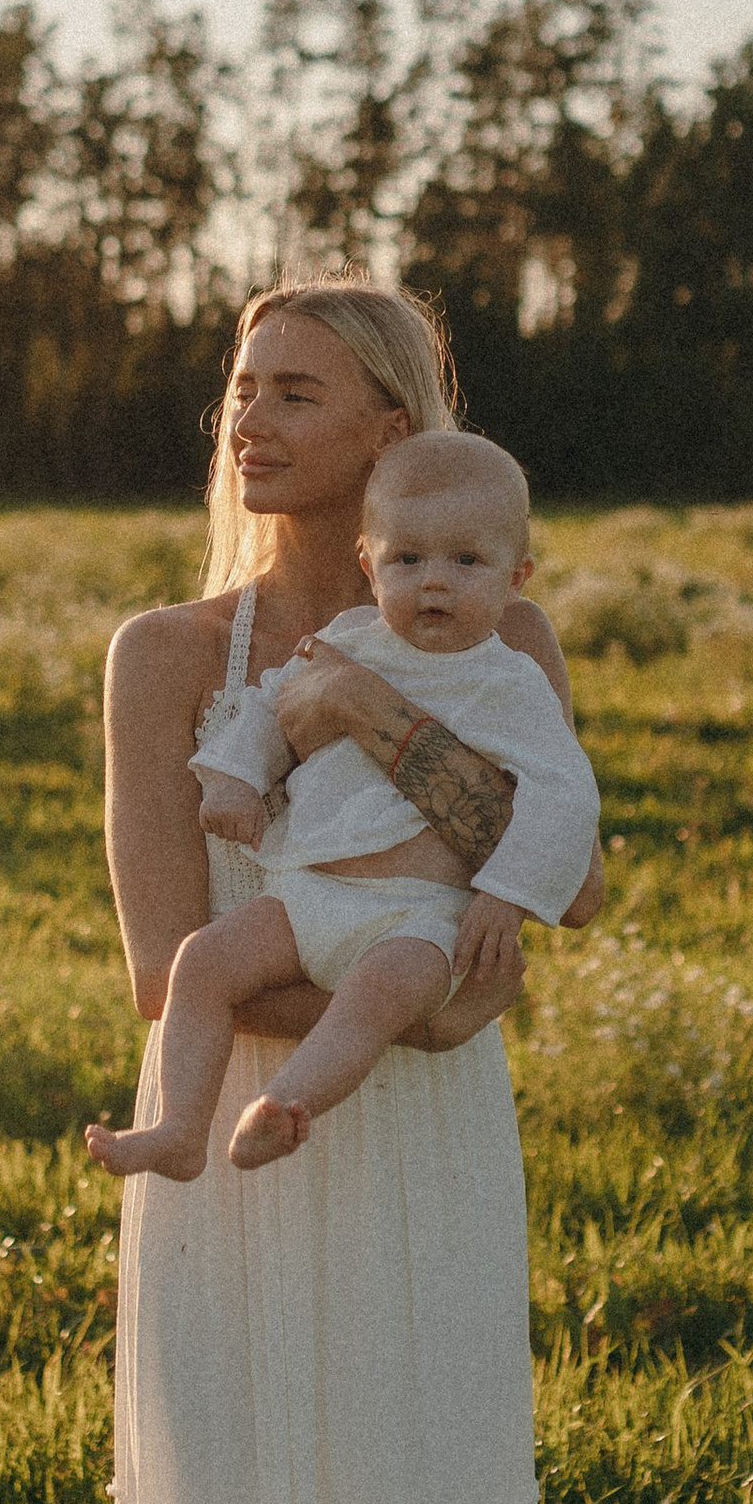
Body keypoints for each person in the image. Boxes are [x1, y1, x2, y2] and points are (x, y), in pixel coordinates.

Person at [101, 280, 652, 1504]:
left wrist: (364, 714)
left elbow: (557, 896)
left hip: (421, 1158)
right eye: (238, 388)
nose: (248, 420)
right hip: (238, 1156)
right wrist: (394, 991)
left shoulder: (505, 632)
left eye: (297, 392)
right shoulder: (168, 654)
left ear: (393, 424)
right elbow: (168, 964)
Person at [85, 430, 599, 1180]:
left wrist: (505, 894)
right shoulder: (350, 639)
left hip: (420, 916)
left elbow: (563, 792)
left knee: (375, 996)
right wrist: (235, 778)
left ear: (516, 575)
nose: (433, 583)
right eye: (407, 561)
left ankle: (283, 1105)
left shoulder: (508, 679)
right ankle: (181, 1128)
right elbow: (272, 708)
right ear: (371, 562)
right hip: (309, 894)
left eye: (466, 562)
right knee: (203, 961)